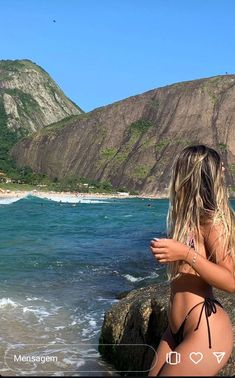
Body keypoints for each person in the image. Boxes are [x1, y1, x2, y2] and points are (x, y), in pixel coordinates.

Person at [148, 144, 235, 376]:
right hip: (176, 330)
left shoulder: (212, 222)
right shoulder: (184, 220)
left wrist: (185, 254)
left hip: (204, 328)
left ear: (189, 176)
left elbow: (232, 281)